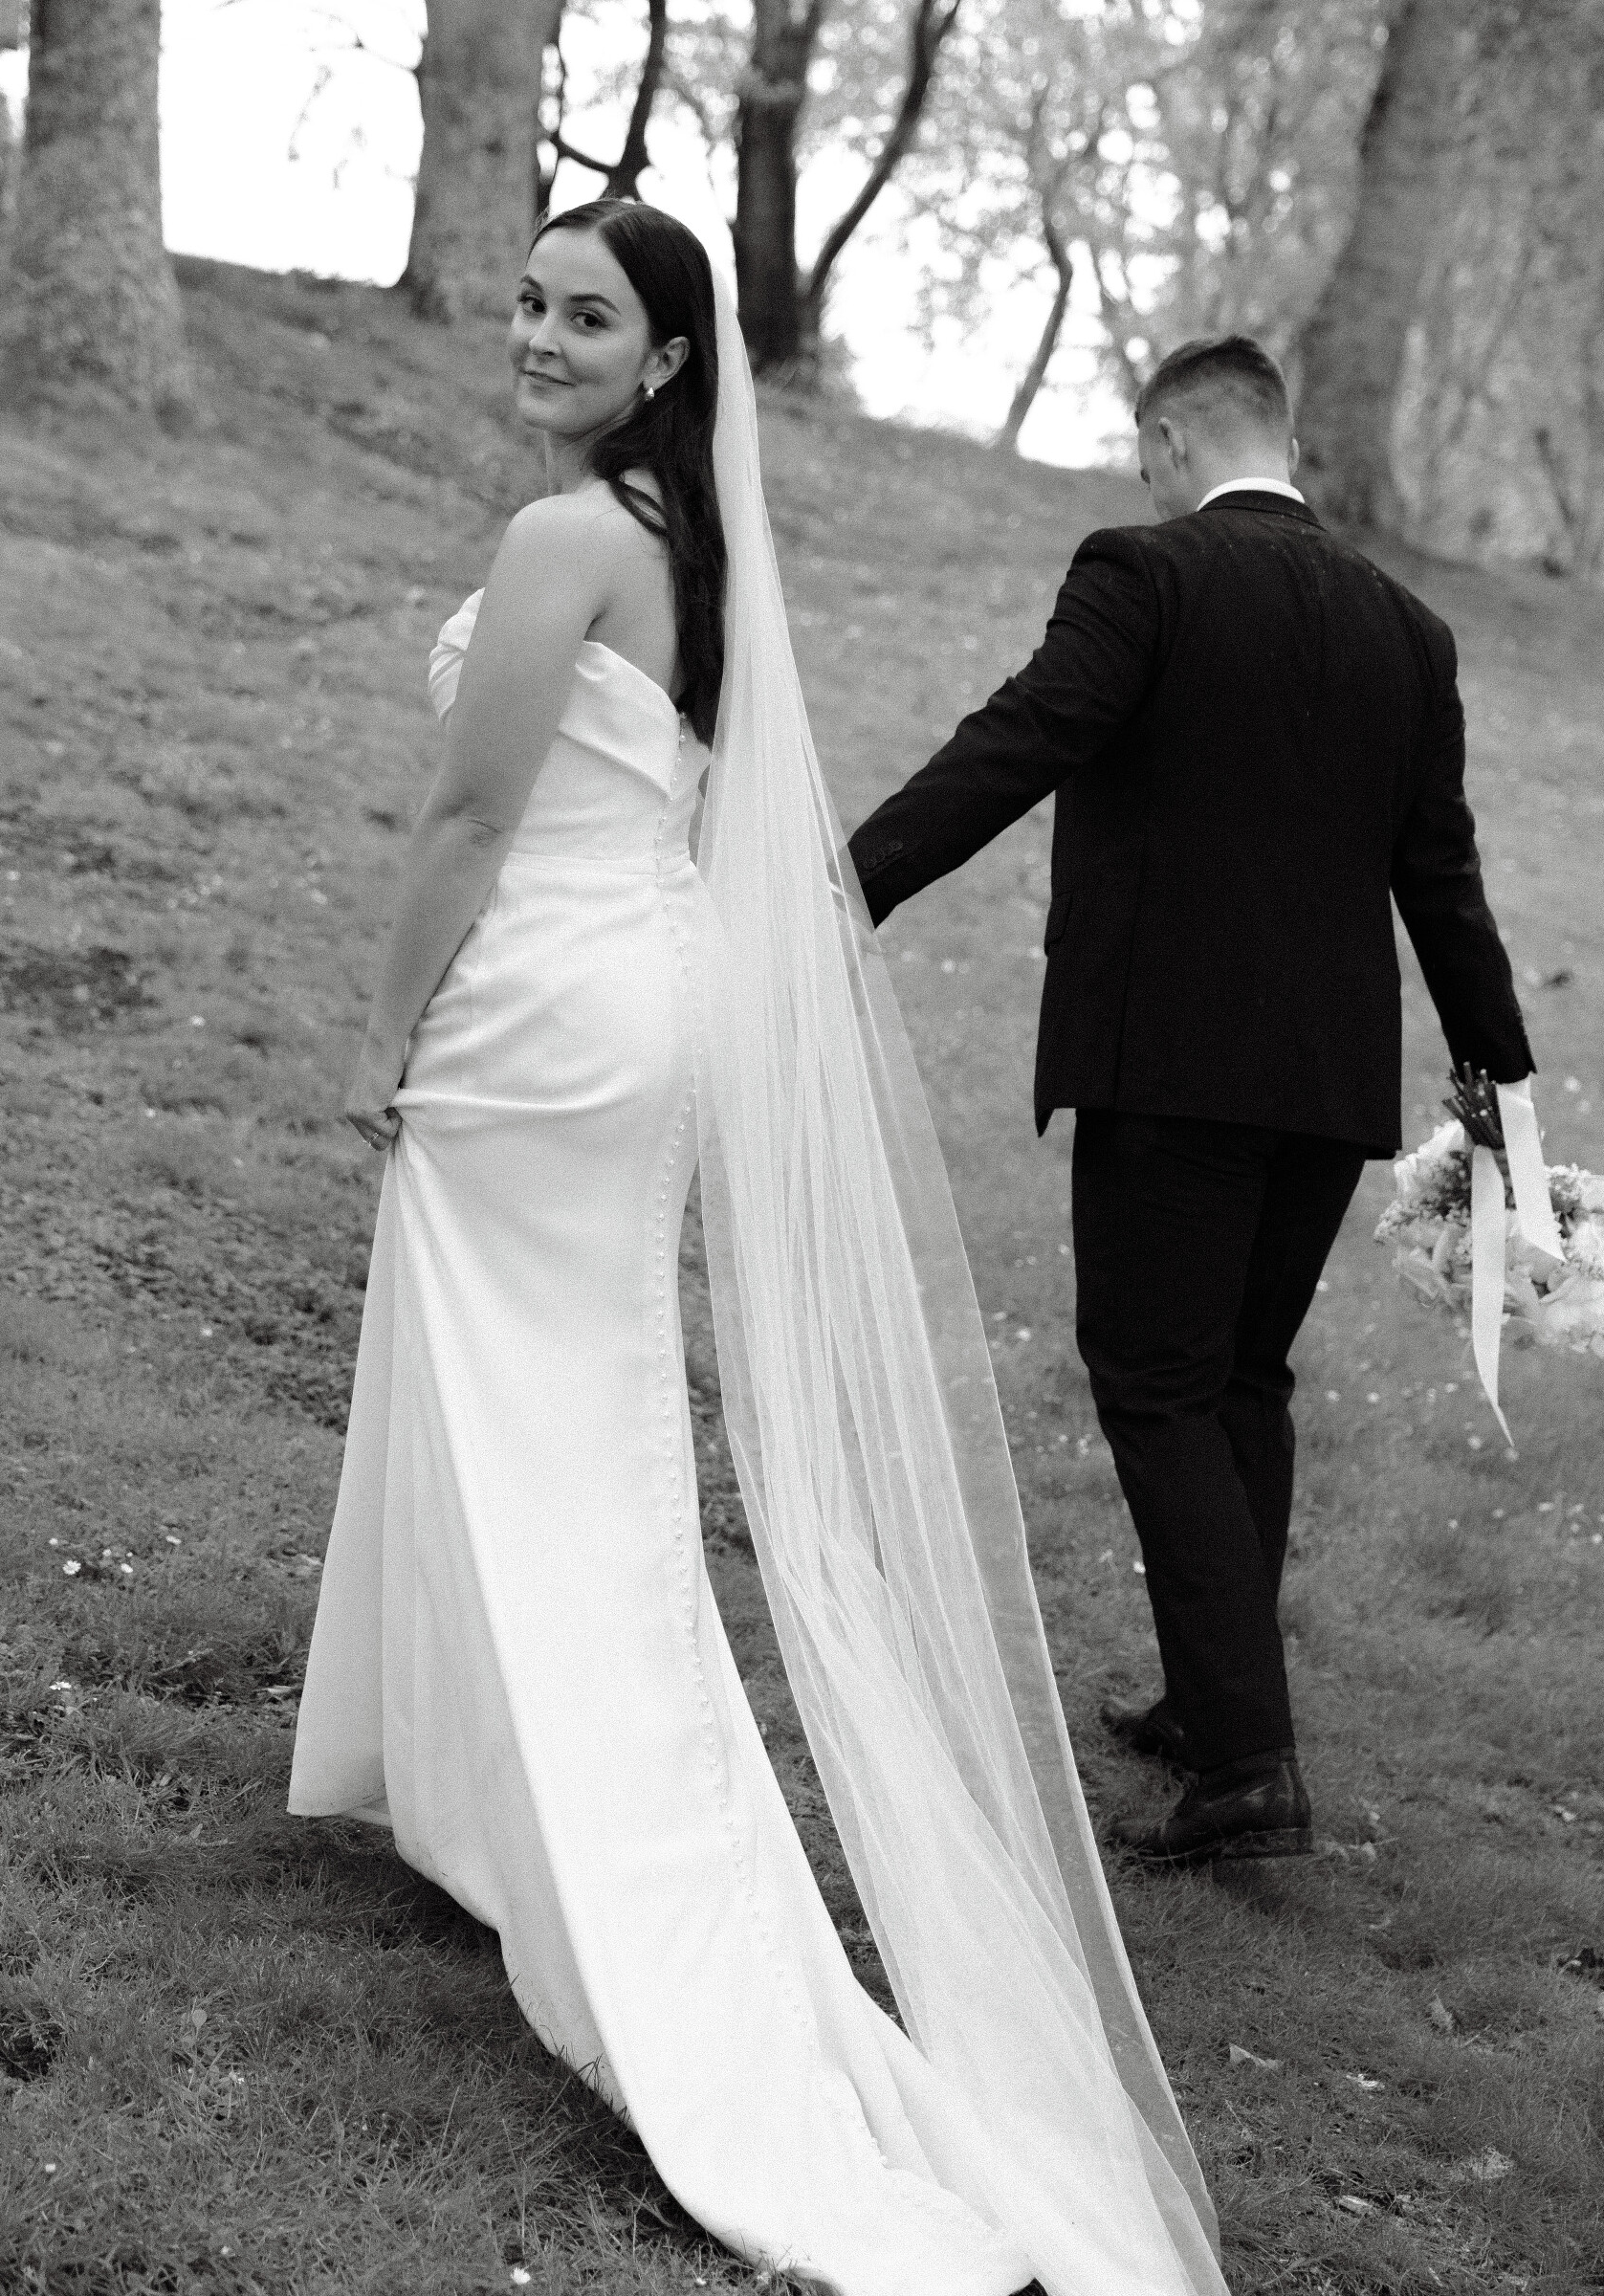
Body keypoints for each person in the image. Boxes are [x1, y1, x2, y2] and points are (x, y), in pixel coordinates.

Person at [289, 198, 1229, 2296]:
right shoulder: (691, 542)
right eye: (528, 299)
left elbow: (468, 817)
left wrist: (381, 1032)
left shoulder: (569, 538)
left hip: (544, 1020)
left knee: (552, 1452)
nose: (537, 334)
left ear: (667, 360)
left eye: (586, 315)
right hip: (640, 995)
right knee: (554, 1432)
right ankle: (482, 1802)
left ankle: (627, 1891)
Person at [846, 334, 1535, 1868]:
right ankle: (1208, 1701)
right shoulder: (1408, 629)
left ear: (1169, 440)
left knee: (1158, 1385)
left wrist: (851, 880)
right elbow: (1441, 872)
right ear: (1282, 441)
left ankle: (1245, 1767)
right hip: (1328, 1084)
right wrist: (1496, 1076)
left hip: (1170, 1064)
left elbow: (1027, 735)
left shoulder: (1144, 572)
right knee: (1239, 1385)